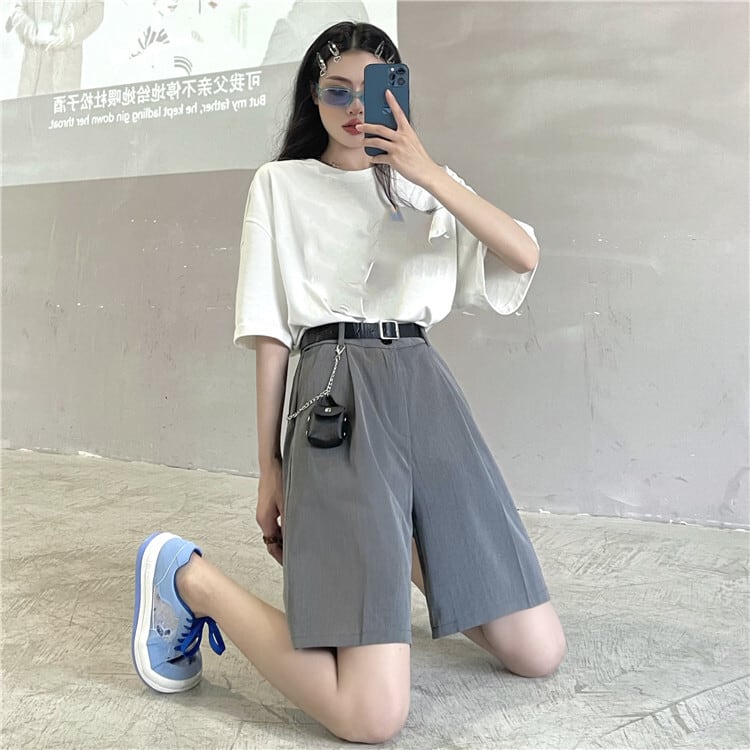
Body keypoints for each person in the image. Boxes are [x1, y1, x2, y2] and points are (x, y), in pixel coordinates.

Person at [131, 21, 566, 744]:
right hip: (335, 390)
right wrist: (269, 468)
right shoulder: (281, 185)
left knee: (538, 651)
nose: (354, 107)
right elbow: (270, 333)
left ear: (398, 95)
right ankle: (186, 578)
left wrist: (425, 172)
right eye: (336, 90)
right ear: (313, 96)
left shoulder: (428, 185)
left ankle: (388, 556)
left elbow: (522, 254)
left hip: (424, 386)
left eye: (372, 91)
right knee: (372, 715)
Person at [10, 0, 103, 98]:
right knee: (28, 106)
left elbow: (96, 9)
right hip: (32, 67)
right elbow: (16, 7)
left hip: (66, 67)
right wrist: (30, 29)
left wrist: (71, 32)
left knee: (62, 104)